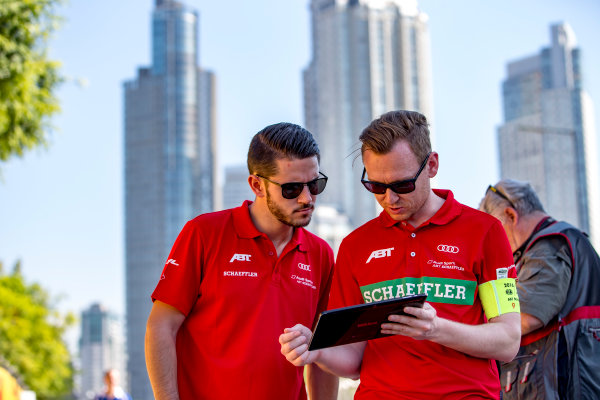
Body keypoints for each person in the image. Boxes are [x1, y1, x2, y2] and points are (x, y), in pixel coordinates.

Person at [280, 110, 521, 399]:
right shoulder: (356, 245)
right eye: (376, 186)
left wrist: (436, 329)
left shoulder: (485, 232)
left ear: (431, 165)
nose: (389, 199)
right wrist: (315, 351)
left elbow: (508, 341)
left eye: (402, 185)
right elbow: (354, 361)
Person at [145, 122, 338, 400]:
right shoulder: (203, 234)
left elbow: (323, 349)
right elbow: (161, 327)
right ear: (257, 185)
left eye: (315, 184)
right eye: (292, 188)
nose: (307, 198)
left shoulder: (321, 254)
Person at [479, 179, 600, 399]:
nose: (494, 244)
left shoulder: (549, 246)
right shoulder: (556, 243)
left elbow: (523, 316)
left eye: (495, 231)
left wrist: (461, 325)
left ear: (511, 216)